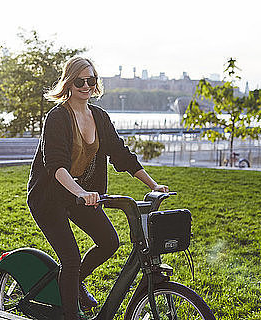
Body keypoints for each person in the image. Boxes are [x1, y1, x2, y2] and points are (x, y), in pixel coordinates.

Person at [27, 56, 168, 320]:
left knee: (108, 242)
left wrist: (153, 184)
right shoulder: (57, 117)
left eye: (90, 80)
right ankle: (71, 314)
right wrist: (79, 192)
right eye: (79, 80)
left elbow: (122, 155)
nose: (85, 85)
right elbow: (55, 165)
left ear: (95, 83)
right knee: (70, 259)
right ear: (69, 83)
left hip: (83, 197)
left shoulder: (100, 117)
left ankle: (72, 284)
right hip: (50, 197)